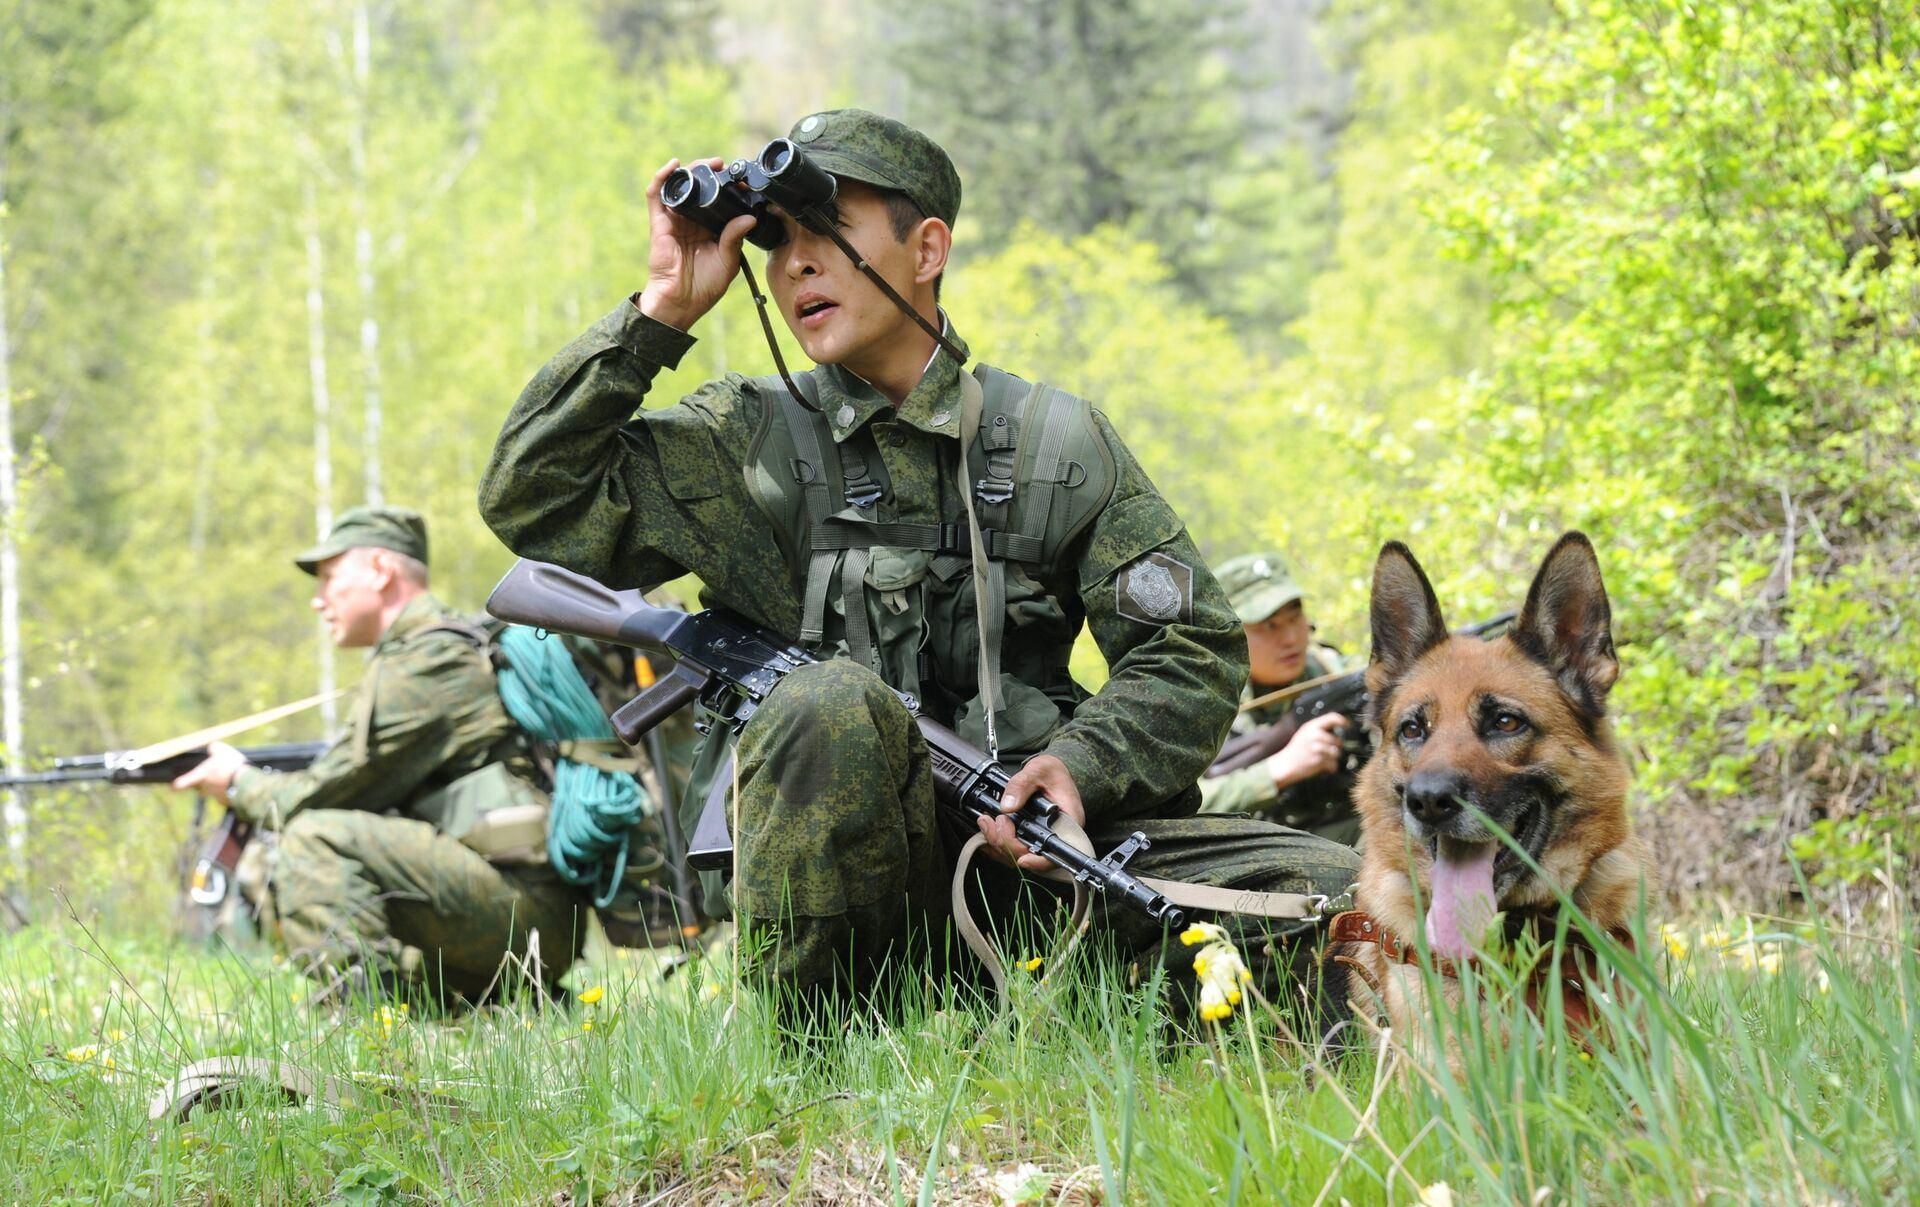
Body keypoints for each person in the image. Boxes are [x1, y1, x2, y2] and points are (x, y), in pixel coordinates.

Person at [477, 109, 1358, 1021]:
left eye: (827, 233)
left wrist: (1077, 766)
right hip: (854, 899)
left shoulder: (1052, 439)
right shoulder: (743, 438)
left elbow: (1192, 649)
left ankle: (1078, 1003)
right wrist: (660, 308)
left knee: (1342, 897)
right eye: (777, 245)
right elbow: (531, 497)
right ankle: (820, 1051)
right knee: (827, 701)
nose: (795, 265)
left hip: (1038, 858)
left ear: (927, 248)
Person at [170, 506, 591, 1005]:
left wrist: (238, 782)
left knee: (315, 840)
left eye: (329, 577)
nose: (317, 600)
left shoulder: (428, 660)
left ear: (380, 570)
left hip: (528, 915)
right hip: (518, 910)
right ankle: (499, 1011)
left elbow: (317, 794)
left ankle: (371, 1034)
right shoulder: (430, 649)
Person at [1198, 552, 1363, 845]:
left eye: (1294, 617)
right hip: (1262, 849)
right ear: (1228, 633)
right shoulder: (1204, 705)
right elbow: (1184, 805)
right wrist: (1277, 772)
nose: (1290, 638)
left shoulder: (1333, 670)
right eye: (1269, 626)